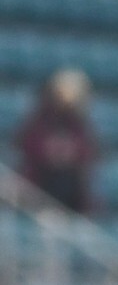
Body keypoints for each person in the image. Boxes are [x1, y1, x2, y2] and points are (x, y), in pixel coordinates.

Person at [14, 67, 99, 214]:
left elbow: (86, 158)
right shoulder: (39, 121)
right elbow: (29, 149)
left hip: (72, 199)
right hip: (38, 191)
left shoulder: (80, 127)